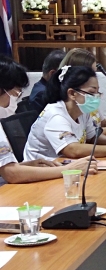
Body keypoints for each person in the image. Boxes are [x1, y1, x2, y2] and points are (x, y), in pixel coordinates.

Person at [0, 56, 97, 185]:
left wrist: (26, 166)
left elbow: (7, 169)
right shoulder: (55, 114)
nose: (15, 100)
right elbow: (11, 174)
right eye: (16, 93)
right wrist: (68, 169)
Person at [24, 65, 106, 161]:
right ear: (72, 93)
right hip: (42, 172)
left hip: (66, 166)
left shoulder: (82, 111)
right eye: (91, 92)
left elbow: (92, 137)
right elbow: (72, 150)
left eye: (97, 92)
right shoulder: (56, 115)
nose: (96, 97)